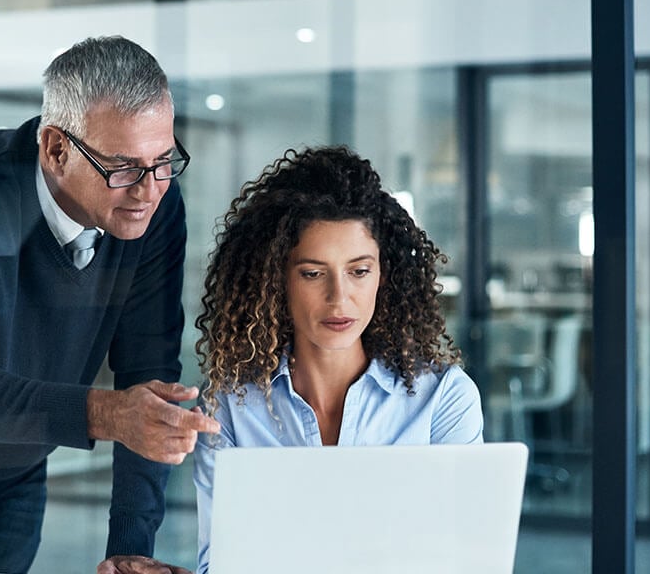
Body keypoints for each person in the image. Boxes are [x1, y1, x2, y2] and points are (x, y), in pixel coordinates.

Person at [0, 36, 219, 574]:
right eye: (124, 167)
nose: (148, 190)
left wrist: (130, 543)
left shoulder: (152, 208)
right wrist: (106, 414)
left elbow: (148, 375)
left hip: (14, 472)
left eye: (164, 161)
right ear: (56, 149)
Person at [192, 145, 484, 573]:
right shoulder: (230, 406)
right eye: (312, 273)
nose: (339, 297)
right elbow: (217, 563)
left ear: (384, 274)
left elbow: (468, 561)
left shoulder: (443, 399)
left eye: (359, 271)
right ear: (276, 280)